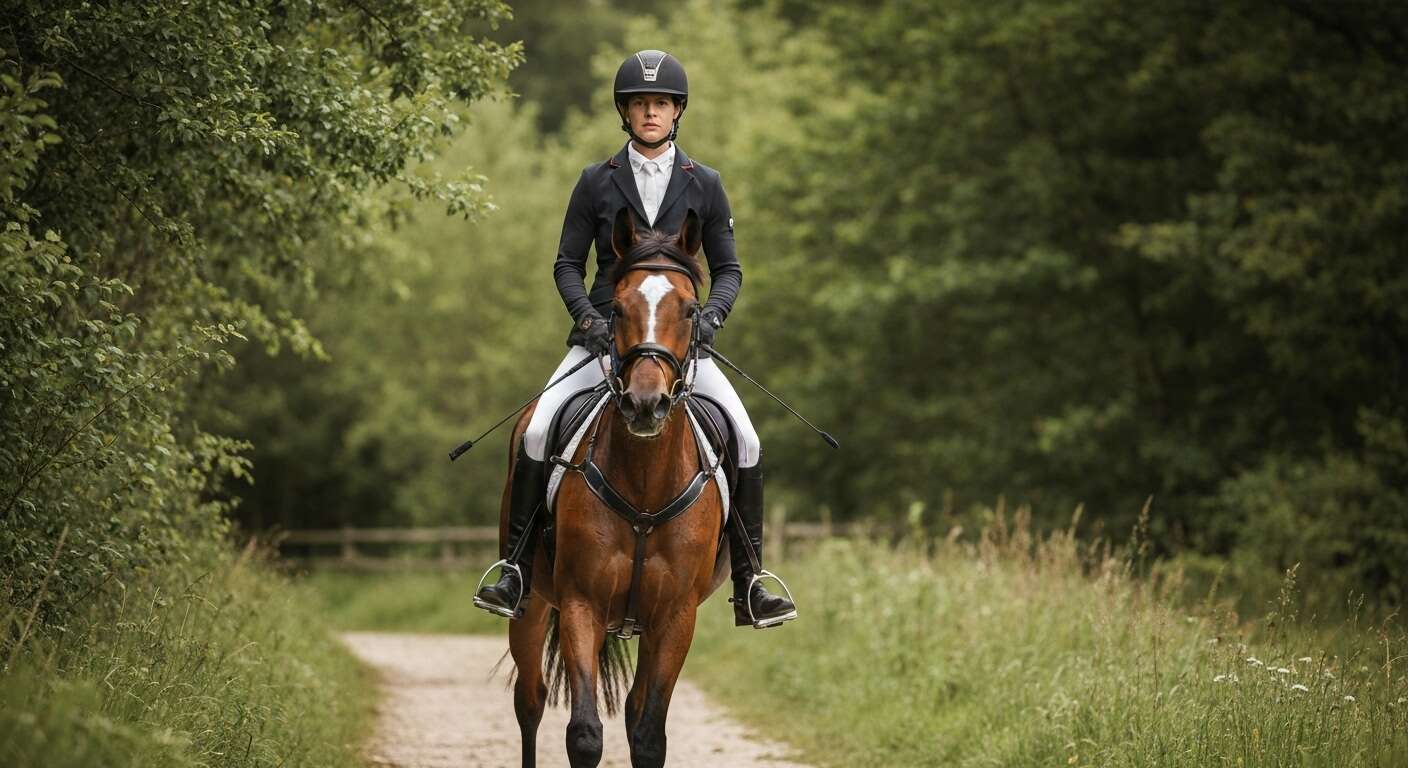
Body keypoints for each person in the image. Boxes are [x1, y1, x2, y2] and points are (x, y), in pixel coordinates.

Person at [473, 49, 796, 629]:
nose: (651, 112)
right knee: (537, 430)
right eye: (641, 103)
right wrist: (590, 320)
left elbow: (729, 269)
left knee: (746, 440)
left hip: (678, 345)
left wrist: (711, 318)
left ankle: (750, 582)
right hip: (604, 340)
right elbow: (567, 264)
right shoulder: (596, 181)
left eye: (661, 103)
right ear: (625, 112)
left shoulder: (706, 184)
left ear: (677, 111)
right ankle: (515, 571)